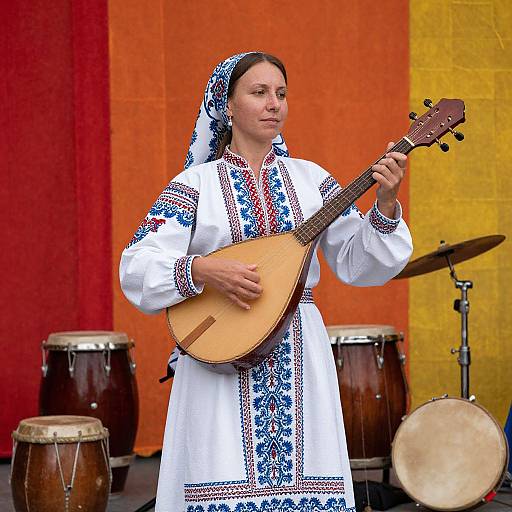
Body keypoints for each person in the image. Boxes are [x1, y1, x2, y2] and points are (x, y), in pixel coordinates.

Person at [120, 52, 412, 512]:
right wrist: (201, 269)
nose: (274, 103)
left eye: (281, 94)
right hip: (218, 356)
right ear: (228, 105)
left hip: (298, 350)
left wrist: (388, 203)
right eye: (259, 93)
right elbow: (136, 265)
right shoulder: (195, 184)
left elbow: (360, 263)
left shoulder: (311, 180)